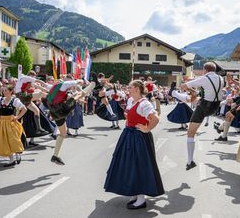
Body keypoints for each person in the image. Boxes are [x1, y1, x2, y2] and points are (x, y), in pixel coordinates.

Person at [104, 80, 164, 209]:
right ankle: (135, 192)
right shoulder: (131, 101)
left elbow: (156, 118)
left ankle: (141, 199)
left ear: (137, 89)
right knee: (129, 165)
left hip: (139, 138)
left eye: (130, 87)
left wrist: (147, 129)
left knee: (139, 166)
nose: (127, 89)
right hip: (128, 136)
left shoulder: (145, 103)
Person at [179, 62, 225, 170]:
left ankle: (190, 161)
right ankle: (216, 125)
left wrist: (190, 89)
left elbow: (183, 87)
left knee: (190, 133)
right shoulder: (221, 79)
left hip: (205, 106)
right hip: (215, 107)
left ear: (205, 70)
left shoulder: (204, 78)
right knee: (198, 100)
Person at [48, 78, 95, 165]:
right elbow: (77, 82)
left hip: (54, 112)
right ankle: (92, 85)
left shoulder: (52, 88)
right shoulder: (63, 85)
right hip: (61, 111)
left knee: (63, 133)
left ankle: (55, 156)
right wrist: (84, 81)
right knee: (78, 94)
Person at [0, 85, 27, 167]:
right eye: (3, 91)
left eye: (6, 90)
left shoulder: (15, 100)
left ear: (11, 91)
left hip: (11, 122)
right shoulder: (0, 99)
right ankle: (11, 160)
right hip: (1, 122)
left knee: (14, 139)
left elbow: (24, 109)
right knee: (4, 141)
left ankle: (18, 154)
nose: (4, 92)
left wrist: (17, 117)